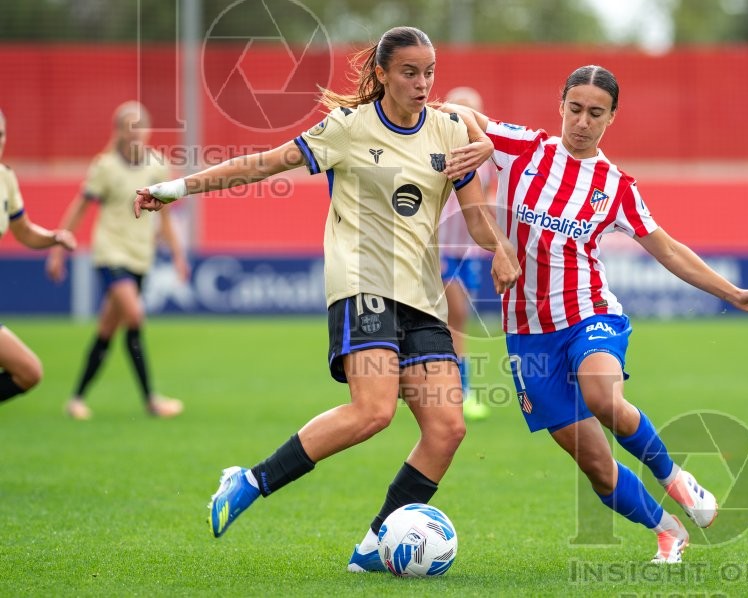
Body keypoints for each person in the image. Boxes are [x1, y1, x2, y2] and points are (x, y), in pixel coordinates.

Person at [133, 26, 519, 572]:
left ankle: (370, 548)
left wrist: (499, 249)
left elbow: (476, 215)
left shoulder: (451, 130)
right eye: (409, 72)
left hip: (422, 296)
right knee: (373, 410)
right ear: (382, 74)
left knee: (448, 429)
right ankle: (249, 481)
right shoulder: (347, 128)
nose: (422, 83)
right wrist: (174, 189)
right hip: (362, 283)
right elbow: (263, 163)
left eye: (429, 72)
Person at [442, 65, 748, 564]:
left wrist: (732, 294)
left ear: (611, 118)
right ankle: (669, 532)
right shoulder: (523, 148)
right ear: (561, 106)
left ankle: (677, 479)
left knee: (602, 393)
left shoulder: (616, 185)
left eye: (595, 113)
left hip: (590, 315)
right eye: (574, 109)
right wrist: (486, 142)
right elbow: (456, 111)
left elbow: (666, 248)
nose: (582, 121)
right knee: (598, 467)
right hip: (529, 336)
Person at [46, 101, 188, 420]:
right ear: (120, 131)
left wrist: (178, 255)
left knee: (107, 329)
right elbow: (80, 207)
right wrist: (58, 248)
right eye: (129, 126)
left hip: (141, 256)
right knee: (135, 316)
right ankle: (152, 400)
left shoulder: (157, 165)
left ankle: (76, 399)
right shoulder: (105, 167)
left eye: (141, 126)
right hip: (110, 253)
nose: (136, 132)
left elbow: (165, 219)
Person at [0, 109, 77, 405]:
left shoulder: (5, 178)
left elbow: (24, 231)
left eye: (1, 135)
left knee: (28, 372)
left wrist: (54, 237)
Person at [438, 86, 494, 421]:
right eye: (459, 110)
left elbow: (482, 205)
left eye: (472, 111)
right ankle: (460, 391)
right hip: (437, 248)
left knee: (457, 322)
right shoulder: (437, 152)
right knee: (454, 315)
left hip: (467, 251)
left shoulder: (483, 157)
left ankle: (458, 390)